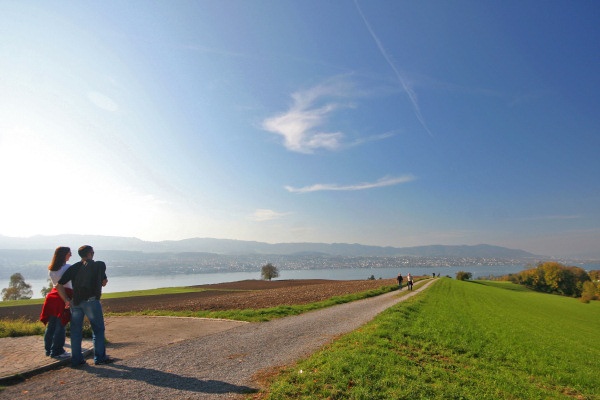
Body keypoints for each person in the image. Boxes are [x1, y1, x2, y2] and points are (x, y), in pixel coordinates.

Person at [56, 245, 113, 367]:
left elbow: (59, 285)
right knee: (98, 329)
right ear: (90, 253)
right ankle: (100, 358)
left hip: (76, 303)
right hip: (91, 301)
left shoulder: (74, 267)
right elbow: (104, 282)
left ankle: (77, 360)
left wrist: (66, 299)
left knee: (76, 331)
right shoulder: (99, 265)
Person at [39, 246, 73, 359]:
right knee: (61, 325)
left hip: (52, 297)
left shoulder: (51, 269)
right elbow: (66, 285)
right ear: (64, 255)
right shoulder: (68, 268)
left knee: (51, 325)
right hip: (62, 297)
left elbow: (56, 285)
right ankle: (57, 351)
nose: (71, 255)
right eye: (69, 253)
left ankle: (48, 349)